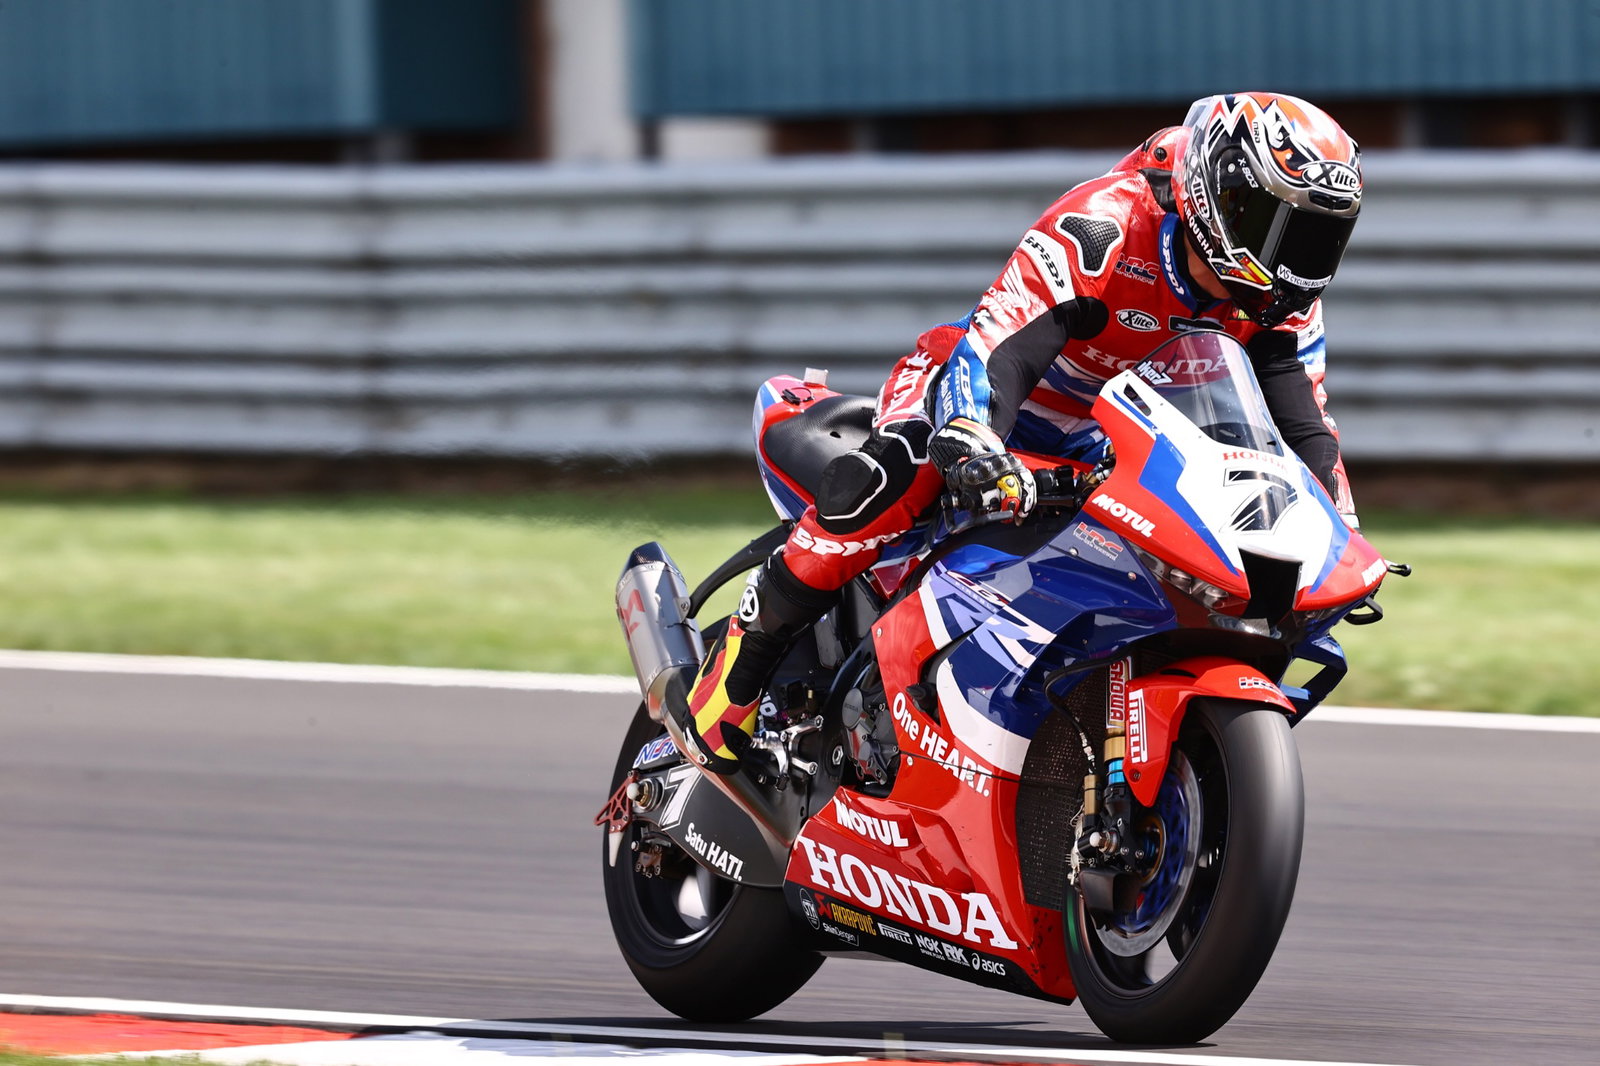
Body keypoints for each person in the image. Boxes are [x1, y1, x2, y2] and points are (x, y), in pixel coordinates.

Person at [675, 91, 1364, 775]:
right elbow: (1000, 347)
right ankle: (741, 662)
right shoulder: (1106, 224)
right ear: (1222, 197)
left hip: (1107, 446)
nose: (1298, 262)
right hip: (980, 401)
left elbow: (1305, 428)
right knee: (895, 474)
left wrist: (1338, 532)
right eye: (1280, 228)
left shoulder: (1282, 304)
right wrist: (974, 434)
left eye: (1317, 240)